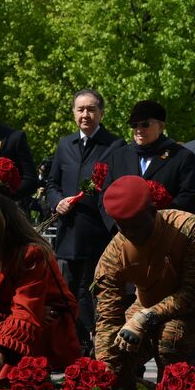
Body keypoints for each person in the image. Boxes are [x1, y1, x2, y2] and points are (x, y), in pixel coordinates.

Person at [92, 176, 195, 389]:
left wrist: (146, 317)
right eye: (126, 229)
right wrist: (106, 370)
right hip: (146, 305)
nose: (133, 235)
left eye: (138, 227)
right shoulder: (114, 254)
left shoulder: (187, 229)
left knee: (169, 338)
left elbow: (194, 293)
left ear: (152, 212)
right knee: (115, 352)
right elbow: (108, 316)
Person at [0, 192, 81, 381]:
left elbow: (26, 309)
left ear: (2, 229)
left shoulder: (31, 255)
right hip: (11, 318)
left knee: (7, 372)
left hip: (46, 326)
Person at [46, 90, 123, 343]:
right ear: (73, 113)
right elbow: (51, 184)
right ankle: (76, 348)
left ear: (101, 113)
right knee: (67, 292)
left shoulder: (114, 145)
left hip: (98, 233)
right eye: (80, 109)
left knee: (91, 292)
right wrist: (57, 203)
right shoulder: (65, 144)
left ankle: (99, 344)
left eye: (91, 109)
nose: (85, 115)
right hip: (68, 234)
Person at [103, 100, 195, 213]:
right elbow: (106, 195)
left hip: (164, 227)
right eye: (134, 125)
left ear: (161, 127)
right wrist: (117, 226)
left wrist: (158, 222)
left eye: (145, 124)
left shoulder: (181, 156)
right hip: (123, 228)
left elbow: (188, 197)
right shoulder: (118, 156)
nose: (139, 130)